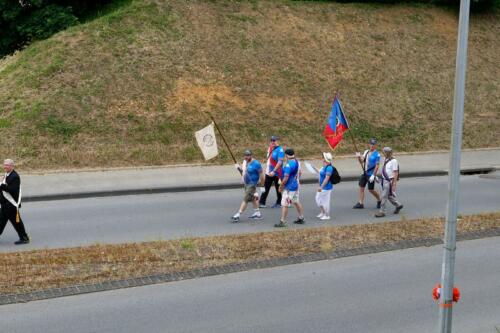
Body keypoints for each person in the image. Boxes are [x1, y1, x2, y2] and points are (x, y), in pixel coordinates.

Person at [0, 159, 30, 245]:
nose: (5, 166)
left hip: (11, 205)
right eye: (4, 165)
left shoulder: (15, 176)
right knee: (1, 221)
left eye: (7, 165)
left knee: (17, 223)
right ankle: (24, 237)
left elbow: (13, 190)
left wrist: (2, 186)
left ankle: (24, 238)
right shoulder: (7, 175)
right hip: (5, 204)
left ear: (12, 166)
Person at [231, 150, 265, 223]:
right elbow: (244, 173)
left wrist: (262, 185)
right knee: (253, 198)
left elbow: (261, 175)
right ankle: (257, 213)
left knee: (245, 199)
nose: (246, 157)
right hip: (246, 183)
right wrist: (238, 168)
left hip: (252, 184)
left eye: (248, 155)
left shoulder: (256, 163)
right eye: (245, 155)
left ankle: (238, 214)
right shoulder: (245, 162)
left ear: (251, 155)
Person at [275, 148, 305, 227]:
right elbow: (300, 173)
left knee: (285, 204)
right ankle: (301, 218)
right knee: (296, 201)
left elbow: (285, 178)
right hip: (295, 186)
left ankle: (282, 221)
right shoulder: (297, 162)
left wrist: (281, 186)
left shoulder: (288, 165)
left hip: (289, 188)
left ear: (286, 156)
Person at [353, 138, 382, 209]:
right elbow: (361, 161)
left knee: (371, 189)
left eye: (373, 144)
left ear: (375, 145)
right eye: (371, 144)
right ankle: (360, 203)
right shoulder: (366, 152)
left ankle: (379, 200)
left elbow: (377, 166)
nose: (372, 146)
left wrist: (373, 175)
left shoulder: (377, 155)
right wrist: (358, 157)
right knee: (361, 187)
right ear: (369, 144)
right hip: (365, 173)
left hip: (371, 174)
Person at [375, 147, 403, 218]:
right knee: (389, 196)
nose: (383, 153)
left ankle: (382, 211)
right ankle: (398, 205)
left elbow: (395, 172)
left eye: (384, 152)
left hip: (389, 181)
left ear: (387, 153)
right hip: (384, 180)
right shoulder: (385, 159)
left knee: (384, 196)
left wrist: (394, 183)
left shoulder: (394, 161)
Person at [259, 135, 285, 208]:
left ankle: (279, 202)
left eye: (274, 140)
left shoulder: (280, 150)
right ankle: (262, 202)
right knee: (266, 187)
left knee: (278, 188)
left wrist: (274, 171)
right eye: (271, 140)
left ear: (277, 141)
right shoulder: (270, 148)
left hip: (277, 173)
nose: (273, 142)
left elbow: (280, 162)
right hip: (269, 172)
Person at [312, 152, 334, 220]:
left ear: (325, 159)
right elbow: (319, 172)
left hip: (326, 188)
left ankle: (327, 215)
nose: (322, 158)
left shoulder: (329, 168)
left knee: (325, 201)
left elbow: (326, 179)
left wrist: (321, 187)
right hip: (322, 187)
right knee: (318, 199)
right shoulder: (324, 166)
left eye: (323, 157)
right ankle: (322, 212)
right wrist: (314, 167)